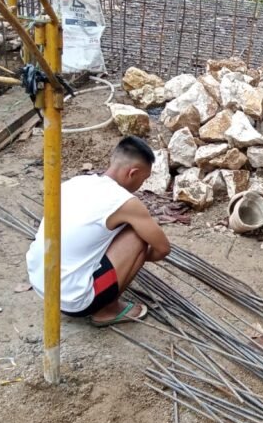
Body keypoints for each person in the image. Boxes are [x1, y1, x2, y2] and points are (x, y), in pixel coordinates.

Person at [26, 136, 171, 326]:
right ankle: (107, 311)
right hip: (73, 300)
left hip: (41, 284)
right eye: (143, 179)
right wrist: (138, 256)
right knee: (138, 237)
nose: (141, 185)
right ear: (133, 173)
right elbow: (163, 249)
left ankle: (101, 283)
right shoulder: (124, 202)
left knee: (115, 228)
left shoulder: (75, 182)